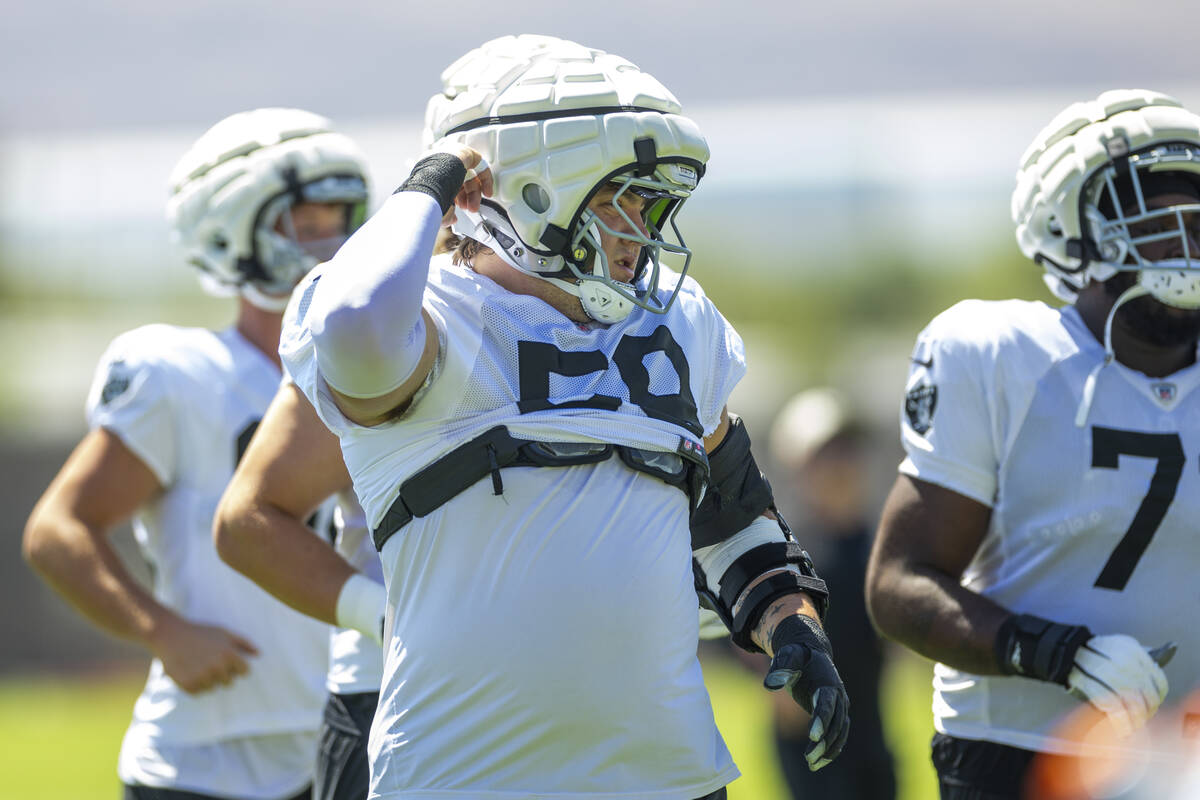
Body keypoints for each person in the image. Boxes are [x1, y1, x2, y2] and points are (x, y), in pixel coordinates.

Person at [275, 34, 850, 800]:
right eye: (626, 198)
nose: (646, 230)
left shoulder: (678, 324)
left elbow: (733, 509)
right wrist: (437, 179)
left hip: (671, 779)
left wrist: (791, 620)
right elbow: (354, 320)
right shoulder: (430, 322)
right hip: (464, 779)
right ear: (537, 188)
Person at [22, 107, 370, 800]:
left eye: (341, 219)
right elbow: (57, 532)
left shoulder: (384, 374)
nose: (331, 243)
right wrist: (163, 631)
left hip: (357, 738)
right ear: (229, 232)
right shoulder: (177, 375)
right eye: (306, 224)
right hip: (205, 761)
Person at [865, 88, 1200, 800]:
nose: (1188, 242)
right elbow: (900, 584)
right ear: (1070, 227)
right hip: (1015, 750)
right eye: (1157, 216)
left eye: (1197, 219)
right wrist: (1055, 653)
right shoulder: (1000, 356)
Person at [215, 380, 385, 800]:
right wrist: (387, 616)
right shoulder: (409, 318)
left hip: (551, 689)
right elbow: (245, 523)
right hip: (391, 687)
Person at [766, 388, 897, 799]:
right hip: (814, 746)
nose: (842, 464)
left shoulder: (879, 548)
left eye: (848, 450)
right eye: (828, 453)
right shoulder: (788, 554)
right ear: (800, 464)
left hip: (872, 737)